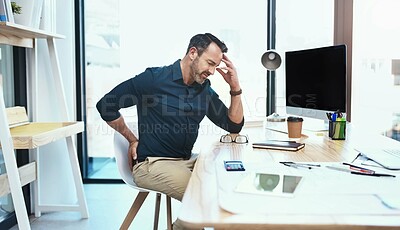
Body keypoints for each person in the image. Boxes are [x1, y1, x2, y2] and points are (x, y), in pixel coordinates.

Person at [96, 32, 244, 218]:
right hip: (152, 164)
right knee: (204, 199)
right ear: (192, 53)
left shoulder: (204, 89)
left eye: (216, 66)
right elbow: (106, 105)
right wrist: (132, 139)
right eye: (210, 63)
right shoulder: (154, 79)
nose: (213, 72)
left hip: (186, 161)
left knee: (228, 181)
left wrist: (235, 87)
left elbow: (233, 125)